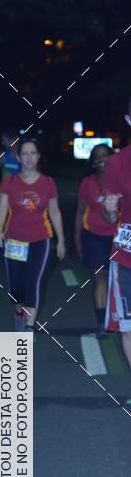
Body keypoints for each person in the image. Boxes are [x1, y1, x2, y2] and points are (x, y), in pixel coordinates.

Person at [0, 137, 66, 332]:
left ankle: (29, 326)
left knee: (33, 281)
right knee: (16, 286)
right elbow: (1, 210)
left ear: (38, 156)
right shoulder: (9, 182)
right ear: (18, 157)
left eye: (33, 153)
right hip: (14, 240)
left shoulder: (48, 183)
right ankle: (18, 310)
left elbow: (55, 212)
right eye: (24, 154)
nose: (29, 157)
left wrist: (61, 240)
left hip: (40, 239)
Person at [103, 96, 131, 390]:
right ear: (128, 120)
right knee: (129, 329)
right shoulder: (116, 163)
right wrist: (110, 209)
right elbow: (109, 214)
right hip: (126, 258)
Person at [74, 143, 116, 337]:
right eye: (97, 156)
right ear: (93, 161)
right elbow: (79, 211)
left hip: (119, 238)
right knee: (101, 278)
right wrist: (77, 240)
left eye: (105, 155)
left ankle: (119, 318)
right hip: (93, 237)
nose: (101, 160)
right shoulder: (87, 183)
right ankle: (102, 323)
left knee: (119, 280)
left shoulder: (123, 179)